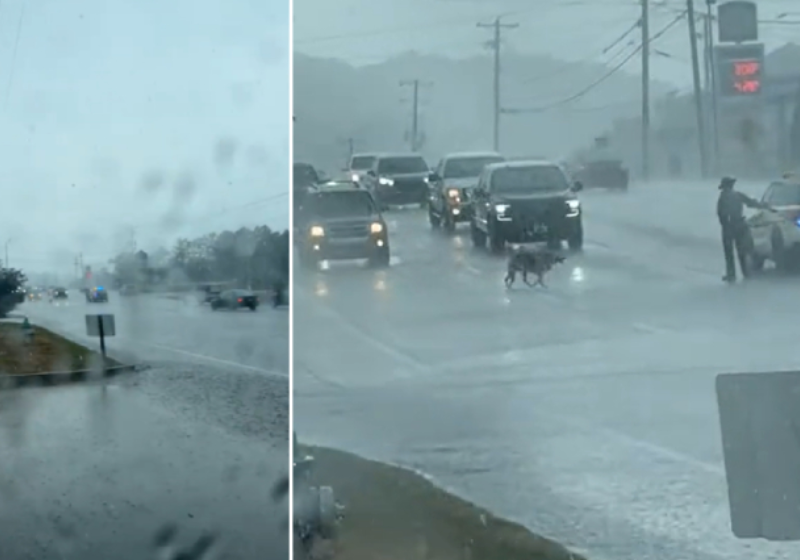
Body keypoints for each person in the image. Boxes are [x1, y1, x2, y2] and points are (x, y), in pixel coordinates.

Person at [717, 176, 770, 282]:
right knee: (742, 251)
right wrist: (764, 206)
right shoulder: (738, 195)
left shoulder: (722, 198)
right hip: (740, 225)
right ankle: (746, 273)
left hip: (728, 227)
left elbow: (720, 214)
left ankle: (731, 275)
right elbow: (751, 203)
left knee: (729, 253)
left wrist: (725, 225)